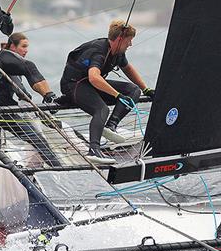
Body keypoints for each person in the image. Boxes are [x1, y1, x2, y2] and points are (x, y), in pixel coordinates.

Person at [0, 32, 62, 215]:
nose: (26, 51)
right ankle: (62, 171)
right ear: (12, 47)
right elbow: (18, 88)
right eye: (23, 46)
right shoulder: (6, 64)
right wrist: (27, 94)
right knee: (38, 140)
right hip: (6, 113)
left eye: (27, 47)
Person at [58, 20, 154, 162]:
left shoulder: (117, 52)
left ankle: (111, 126)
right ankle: (94, 151)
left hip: (90, 85)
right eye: (129, 41)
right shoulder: (99, 50)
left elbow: (128, 69)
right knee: (101, 109)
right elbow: (94, 77)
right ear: (120, 39)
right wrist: (117, 95)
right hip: (74, 84)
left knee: (133, 91)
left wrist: (145, 89)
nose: (130, 44)